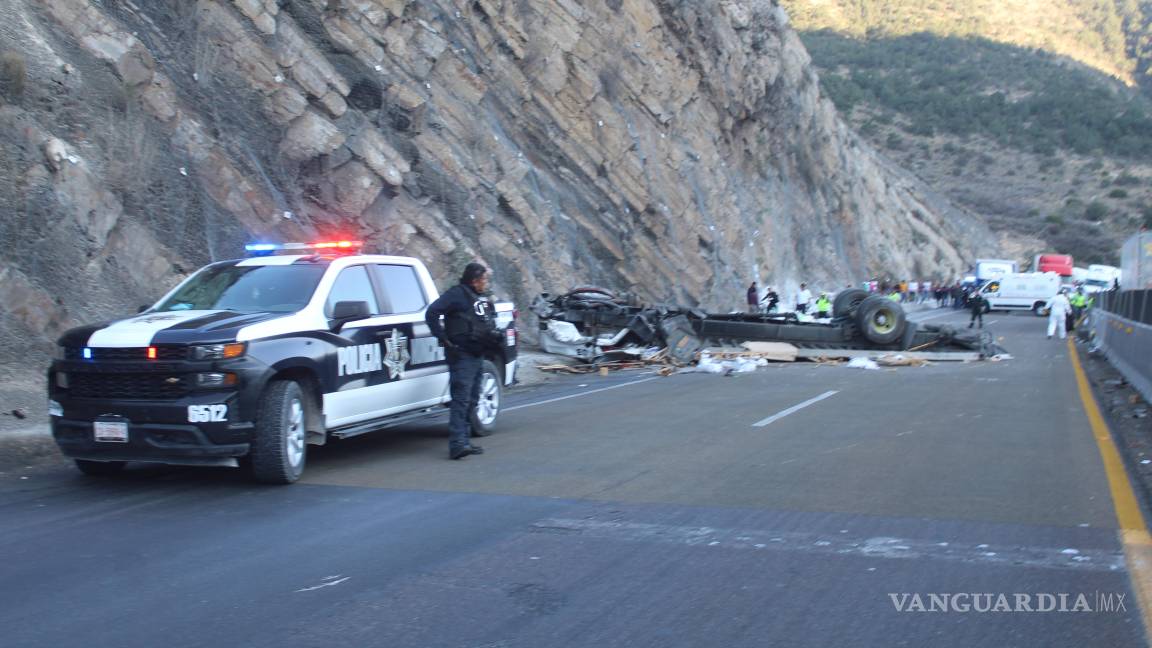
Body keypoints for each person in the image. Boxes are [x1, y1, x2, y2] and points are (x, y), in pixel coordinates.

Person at [425, 262, 502, 460]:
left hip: (476, 353)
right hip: (462, 355)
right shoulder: (457, 294)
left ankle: (465, 440)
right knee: (461, 399)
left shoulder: (478, 298)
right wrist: (443, 338)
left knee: (473, 398)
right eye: (484, 279)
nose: (486, 283)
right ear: (475, 280)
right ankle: (457, 444)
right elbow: (432, 312)